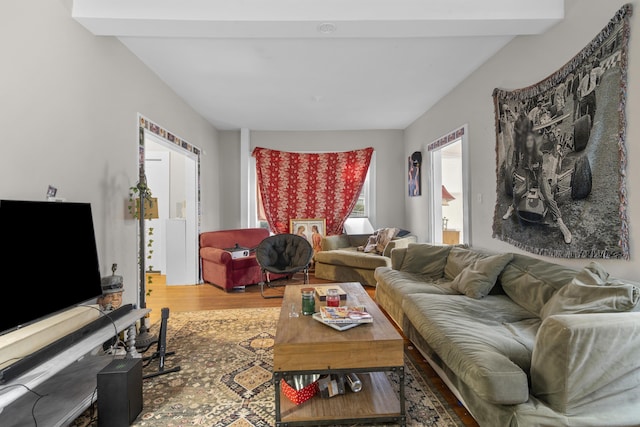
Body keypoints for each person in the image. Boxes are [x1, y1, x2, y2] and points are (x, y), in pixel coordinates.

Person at [502, 131, 572, 244]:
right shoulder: (524, 157)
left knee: (548, 198)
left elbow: (539, 173)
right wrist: (528, 187)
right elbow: (527, 174)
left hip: (541, 177)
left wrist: (540, 190)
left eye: (531, 141)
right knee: (518, 192)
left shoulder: (539, 155)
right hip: (531, 178)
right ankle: (511, 208)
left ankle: (562, 226)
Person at [577, 61, 604, 125]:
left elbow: (602, 73)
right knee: (583, 112)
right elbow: (578, 89)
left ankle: (590, 124)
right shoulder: (584, 78)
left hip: (591, 94)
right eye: (587, 69)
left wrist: (598, 83)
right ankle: (583, 126)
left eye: (589, 68)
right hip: (584, 96)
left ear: (591, 67)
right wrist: (579, 99)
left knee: (592, 111)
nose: (588, 70)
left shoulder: (595, 72)